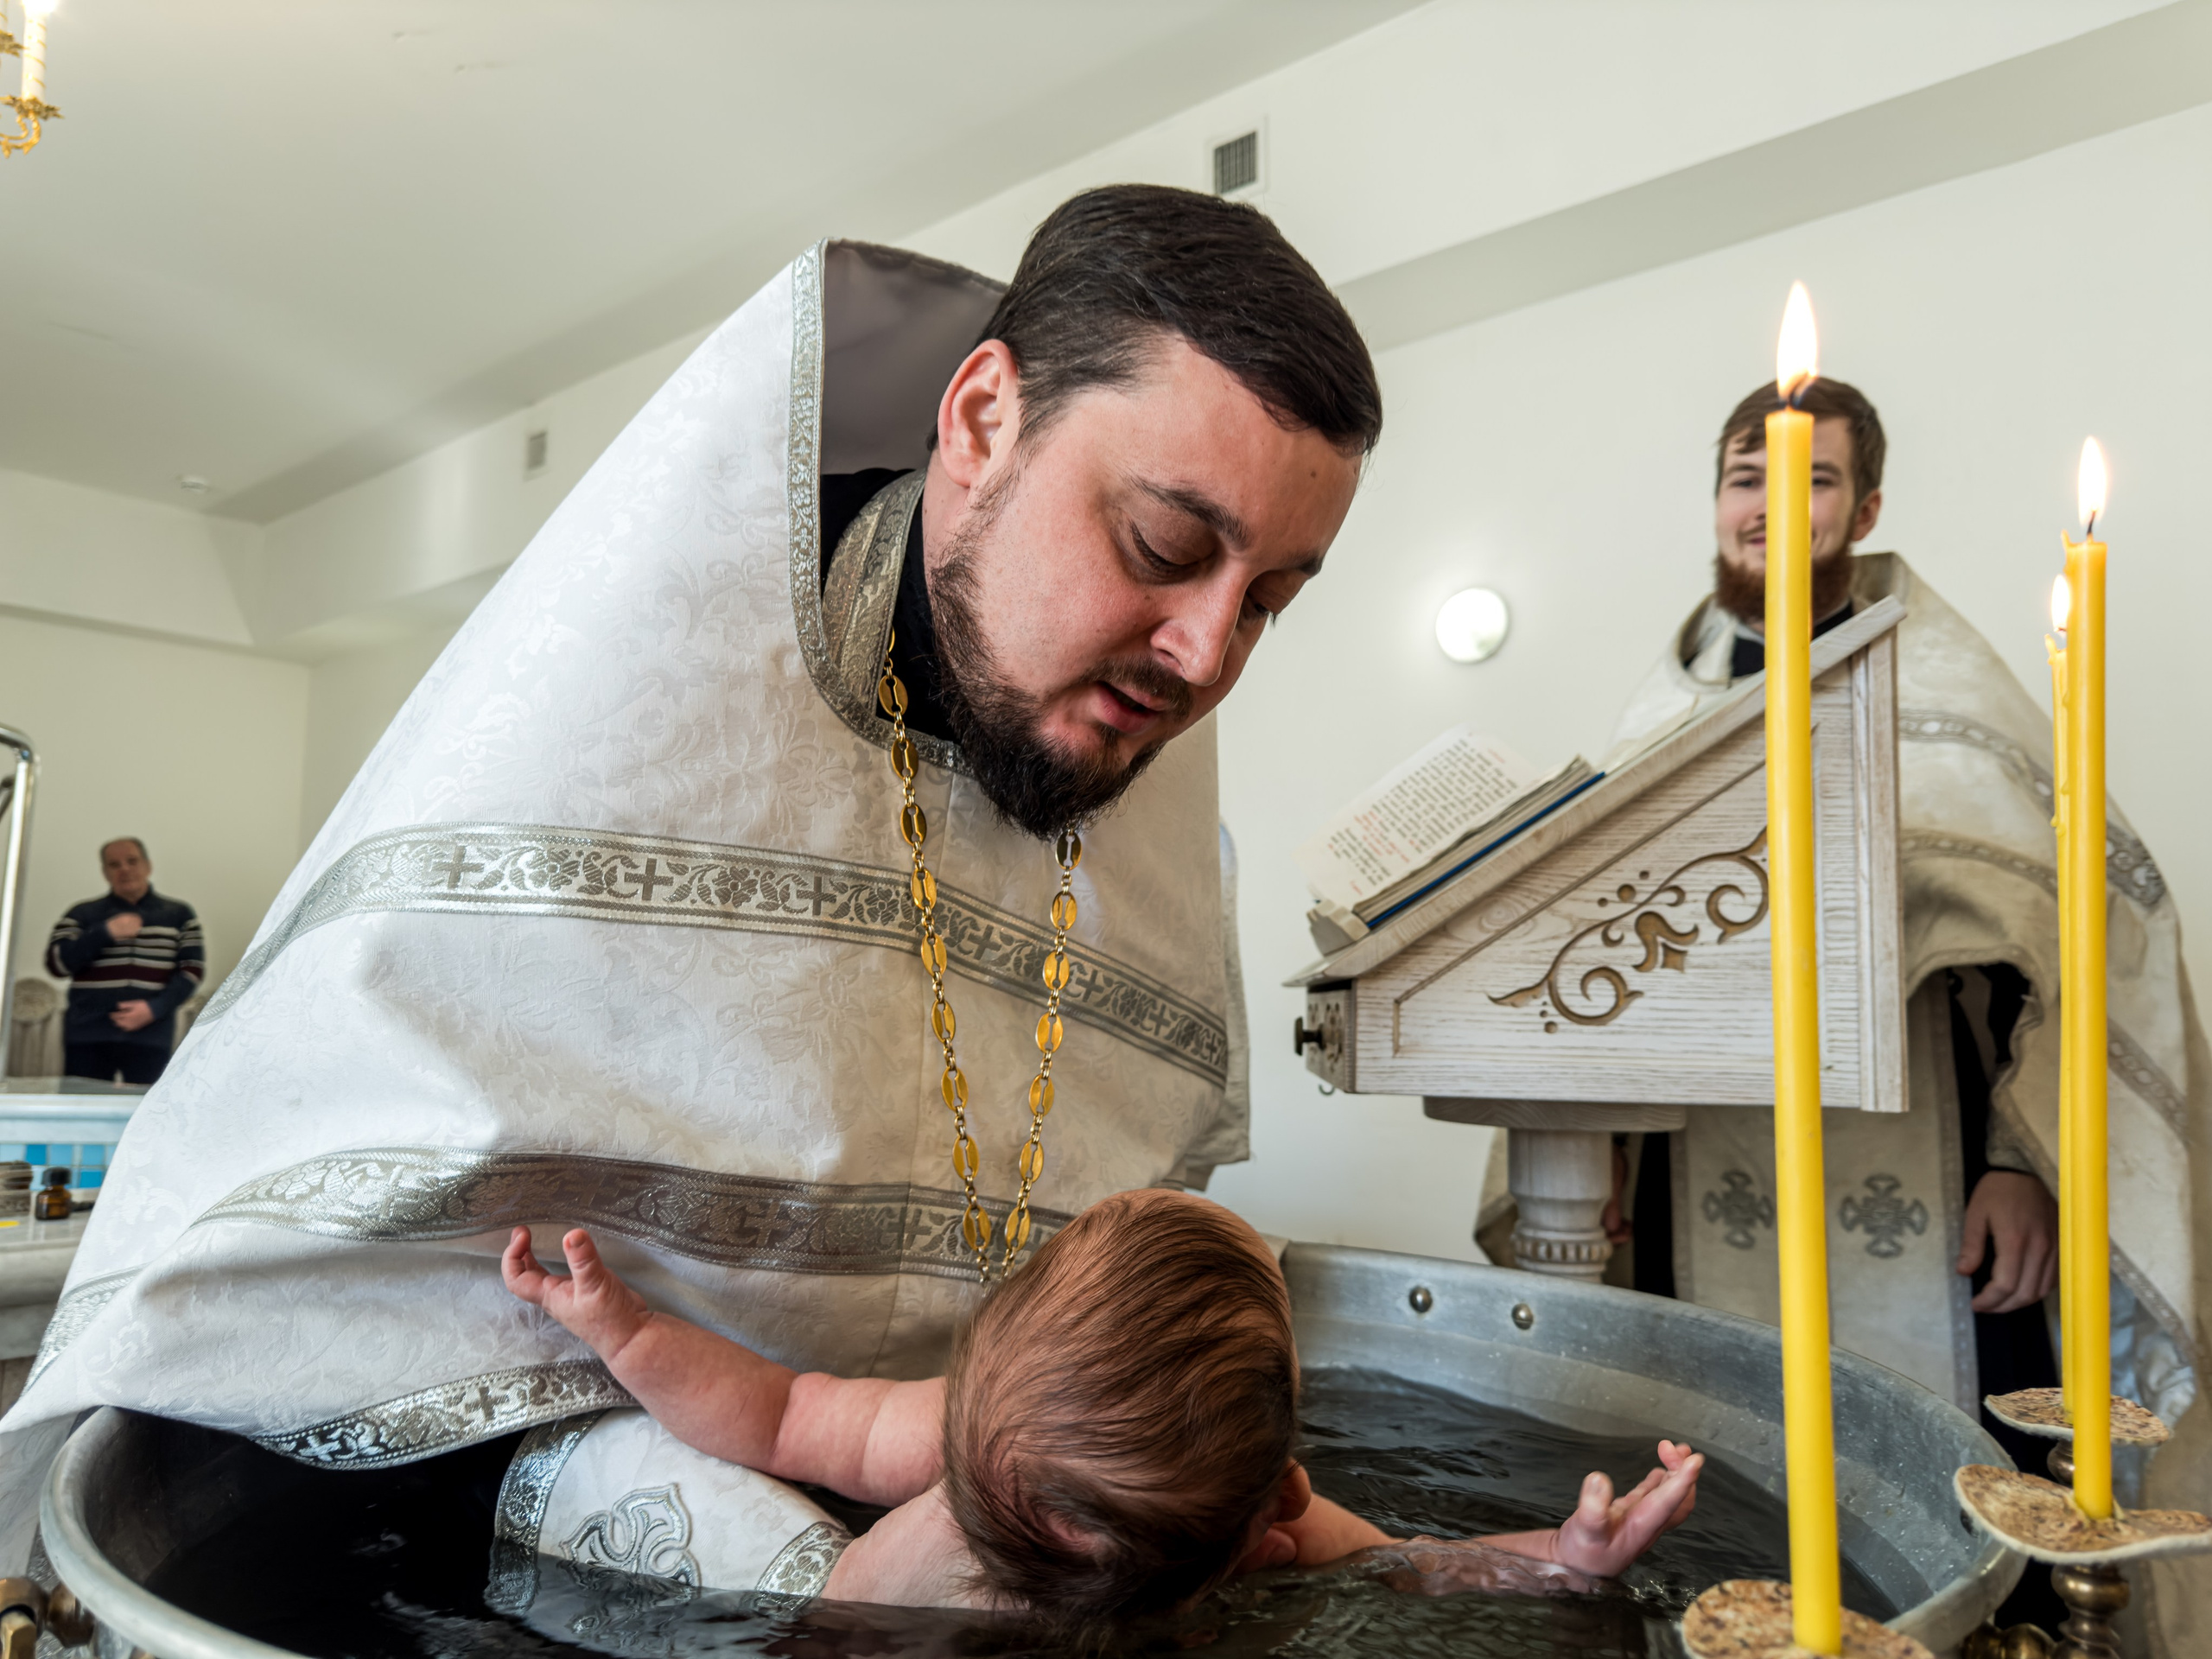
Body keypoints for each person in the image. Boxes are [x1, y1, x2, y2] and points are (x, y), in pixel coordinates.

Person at [0, 187, 1383, 1590]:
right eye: (1162, 547)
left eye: (1271, 598)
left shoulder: (1130, 730)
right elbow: (352, 1322)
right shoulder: (614, 740)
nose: (1206, 656)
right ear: (978, 421)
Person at [1606, 378, 2209, 1642]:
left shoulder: (1950, 698)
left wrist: (2018, 1162)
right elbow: (1605, 962)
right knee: (1722, 1476)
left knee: (1966, 1478)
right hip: (1701, 1164)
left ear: (1866, 506)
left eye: (1810, 479)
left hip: (1932, 1171)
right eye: (1747, 475)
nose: (1770, 504)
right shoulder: (1660, 715)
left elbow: (2061, 941)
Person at [499, 1188, 1703, 1624]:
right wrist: (1561, 1556)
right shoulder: (1273, 1525)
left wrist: (627, 1331)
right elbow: (1418, 1569)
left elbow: (770, 1416)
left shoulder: (947, 1442)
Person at [41, 837, 204, 1084]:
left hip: (152, 1033)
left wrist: (154, 1009)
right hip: (87, 1035)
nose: (124, 869)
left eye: (132, 861)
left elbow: (192, 971)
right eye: (114, 864)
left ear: (148, 866)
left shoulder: (180, 914)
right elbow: (57, 965)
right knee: (83, 1111)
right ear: (105, 872)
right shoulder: (82, 914)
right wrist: (104, 932)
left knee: (148, 1114)